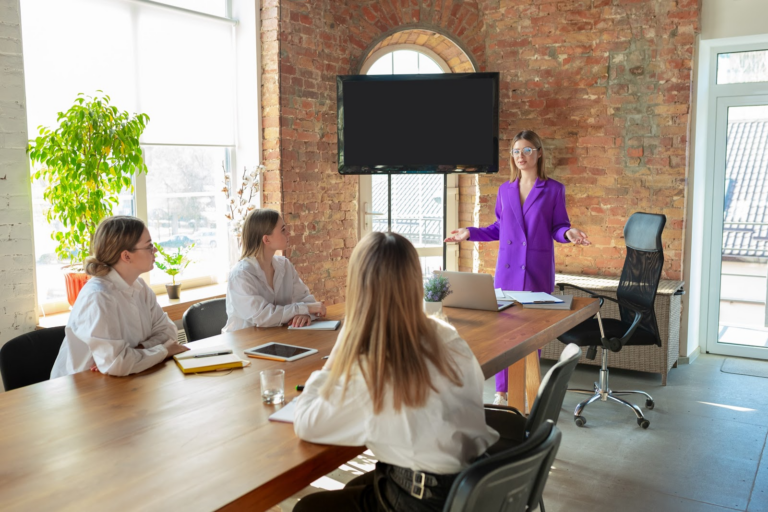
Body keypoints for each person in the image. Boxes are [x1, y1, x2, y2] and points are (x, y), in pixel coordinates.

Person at [293, 232, 498, 512]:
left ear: (358, 289)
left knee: (309, 507)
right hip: (470, 483)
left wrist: (342, 349)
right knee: (354, 488)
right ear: (414, 280)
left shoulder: (374, 367)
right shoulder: (447, 336)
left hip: (423, 499)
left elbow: (307, 423)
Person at [444, 130, 590, 405]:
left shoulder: (554, 189)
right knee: (503, 334)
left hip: (537, 269)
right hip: (508, 271)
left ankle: (528, 390)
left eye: (526, 150)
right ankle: (501, 392)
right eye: (515, 151)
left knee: (531, 335)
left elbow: (558, 226)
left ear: (538, 153)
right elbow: (499, 228)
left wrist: (568, 234)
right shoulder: (505, 190)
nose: (520, 156)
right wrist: (470, 232)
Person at [50, 216, 188, 379]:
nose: (155, 250)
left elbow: (168, 331)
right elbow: (117, 364)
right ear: (126, 256)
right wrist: (164, 351)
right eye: (149, 245)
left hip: (124, 380)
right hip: (82, 389)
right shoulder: (98, 297)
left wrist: (138, 350)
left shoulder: (140, 286)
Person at [223, 208, 326, 331]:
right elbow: (262, 316)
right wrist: (305, 309)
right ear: (266, 239)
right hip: (245, 344)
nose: (288, 233)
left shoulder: (285, 265)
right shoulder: (241, 275)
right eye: (283, 230)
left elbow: (306, 300)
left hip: (277, 338)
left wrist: (304, 314)